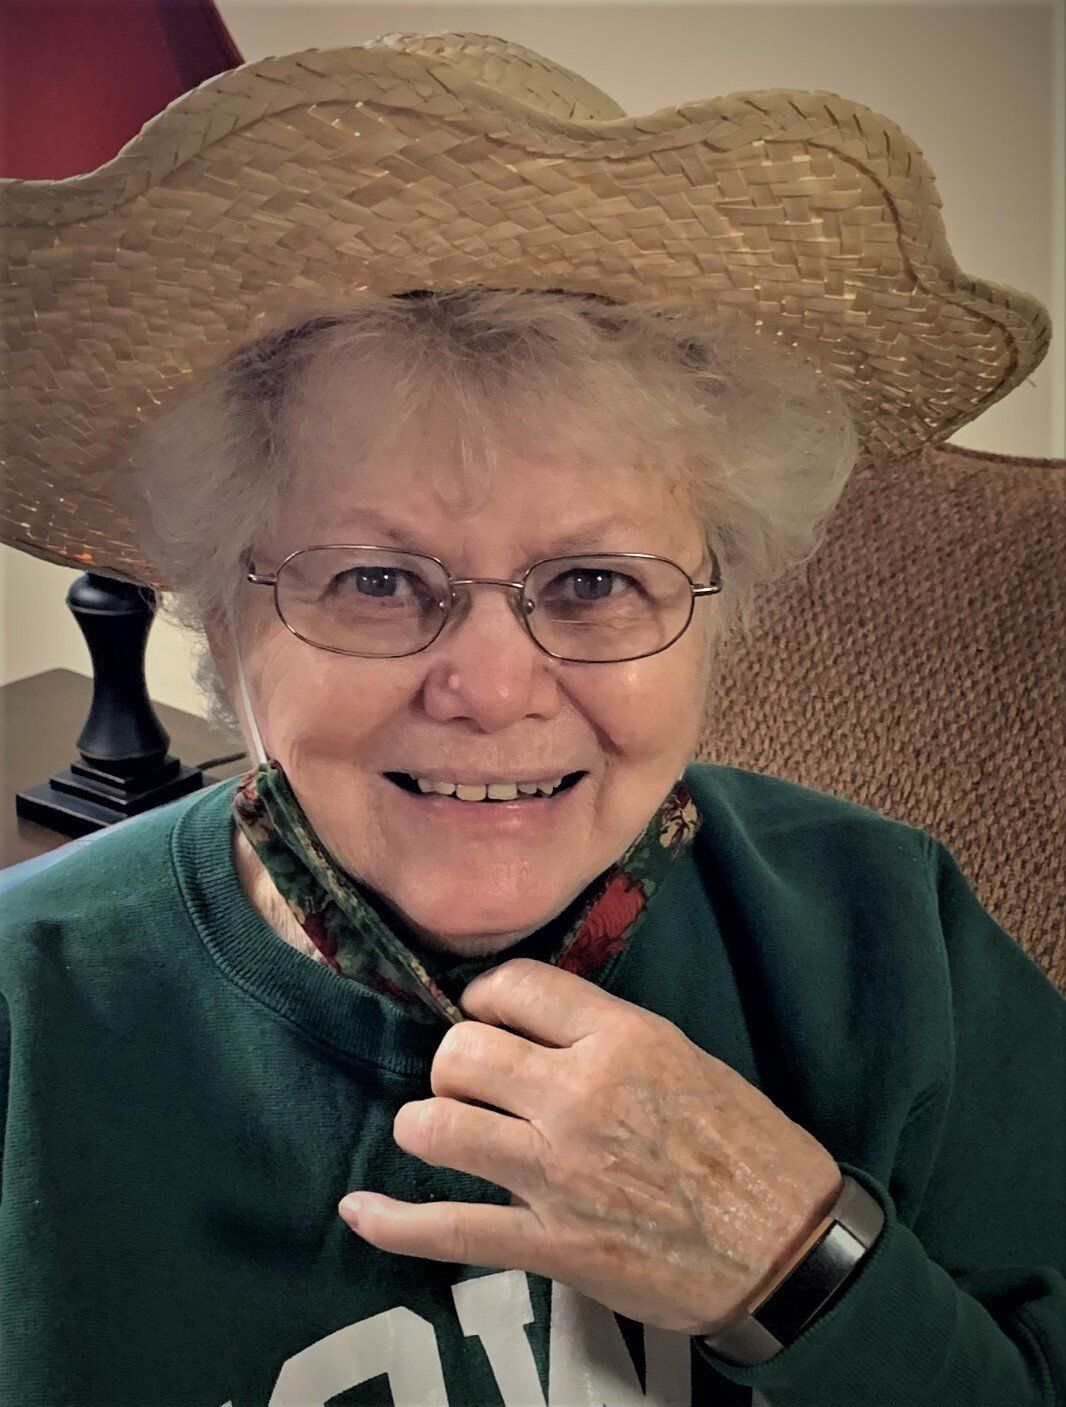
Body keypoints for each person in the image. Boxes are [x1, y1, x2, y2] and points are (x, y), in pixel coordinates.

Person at [0, 31, 1061, 1407]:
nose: (493, 690)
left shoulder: (886, 933)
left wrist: (800, 1267)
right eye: (377, 581)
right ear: (220, 616)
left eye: (591, 583)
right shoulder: (30, 1012)